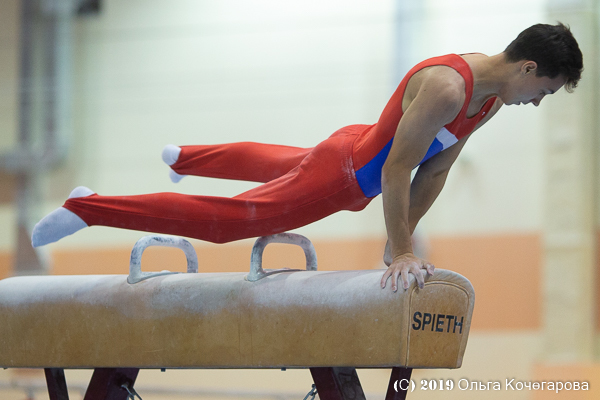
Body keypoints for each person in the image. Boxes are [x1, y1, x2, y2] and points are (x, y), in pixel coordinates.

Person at [32, 23, 583, 292]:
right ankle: (91, 208)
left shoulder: (487, 102)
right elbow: (397, 169)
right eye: (545, 91)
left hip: (349, 150)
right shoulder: (447, 87)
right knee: (230, 224)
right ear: (528, 68)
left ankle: (187, 157)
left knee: (282, 164)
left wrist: (402, 237)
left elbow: (435, 170)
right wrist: (399, 253)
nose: (538, 103)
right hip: (347, 175)